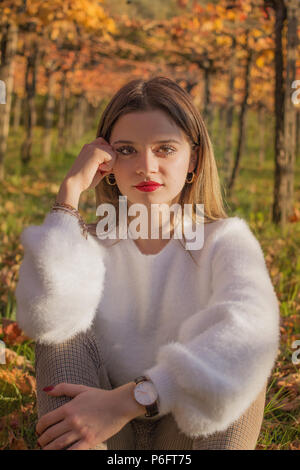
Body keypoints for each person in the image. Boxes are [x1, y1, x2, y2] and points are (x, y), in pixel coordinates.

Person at [15, 76, 280, 450]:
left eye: (165, 149)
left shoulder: (225, 241)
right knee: (58, 320)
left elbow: (251, 334)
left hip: (189, 426)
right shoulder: (84, 242)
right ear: (105, 160)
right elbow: (41, 318)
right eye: (127, 150)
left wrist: (130, 401)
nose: (146, 166)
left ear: (194, 160)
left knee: (243, 347)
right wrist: (69, 194)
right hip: (96, 425)